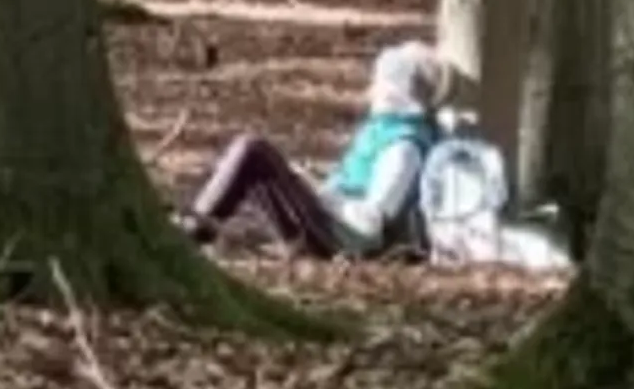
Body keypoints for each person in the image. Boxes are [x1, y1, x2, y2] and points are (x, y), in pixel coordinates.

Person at [185, 40, 447, 258]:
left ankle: (189, 233)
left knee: (253, 150)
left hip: (340, 240)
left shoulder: (403, 148)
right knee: (257, 166)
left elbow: (369, 226)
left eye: (385, 83)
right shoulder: (384, 132)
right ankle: (198, 227)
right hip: (332, 222)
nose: (376, 90)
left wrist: (320, 197)